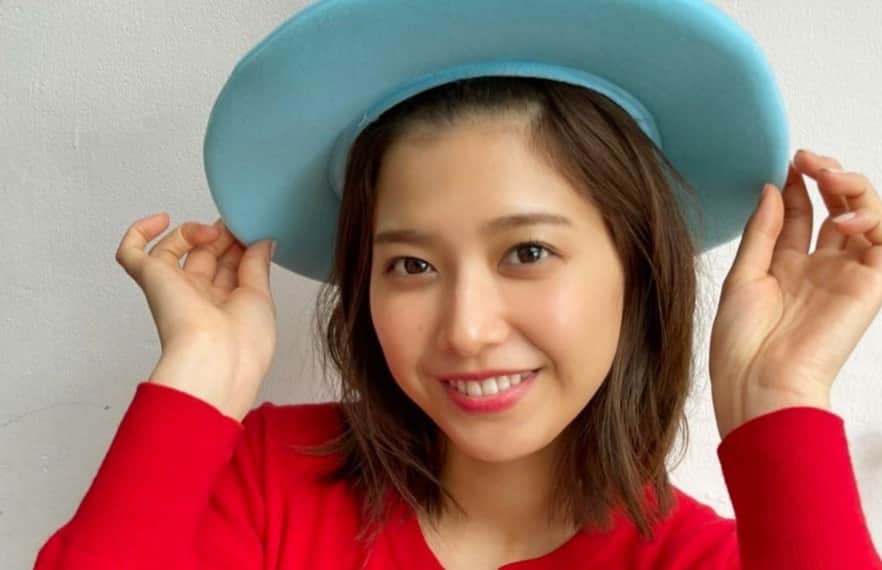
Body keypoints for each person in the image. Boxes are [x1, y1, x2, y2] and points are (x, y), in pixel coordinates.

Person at [35, 2, 882, 569]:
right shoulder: (264, 481)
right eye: (411, 266)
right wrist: (201, 372)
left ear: (638, 266)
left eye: (527, 253)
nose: (466, 330)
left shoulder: (713, 560)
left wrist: (779, 397)